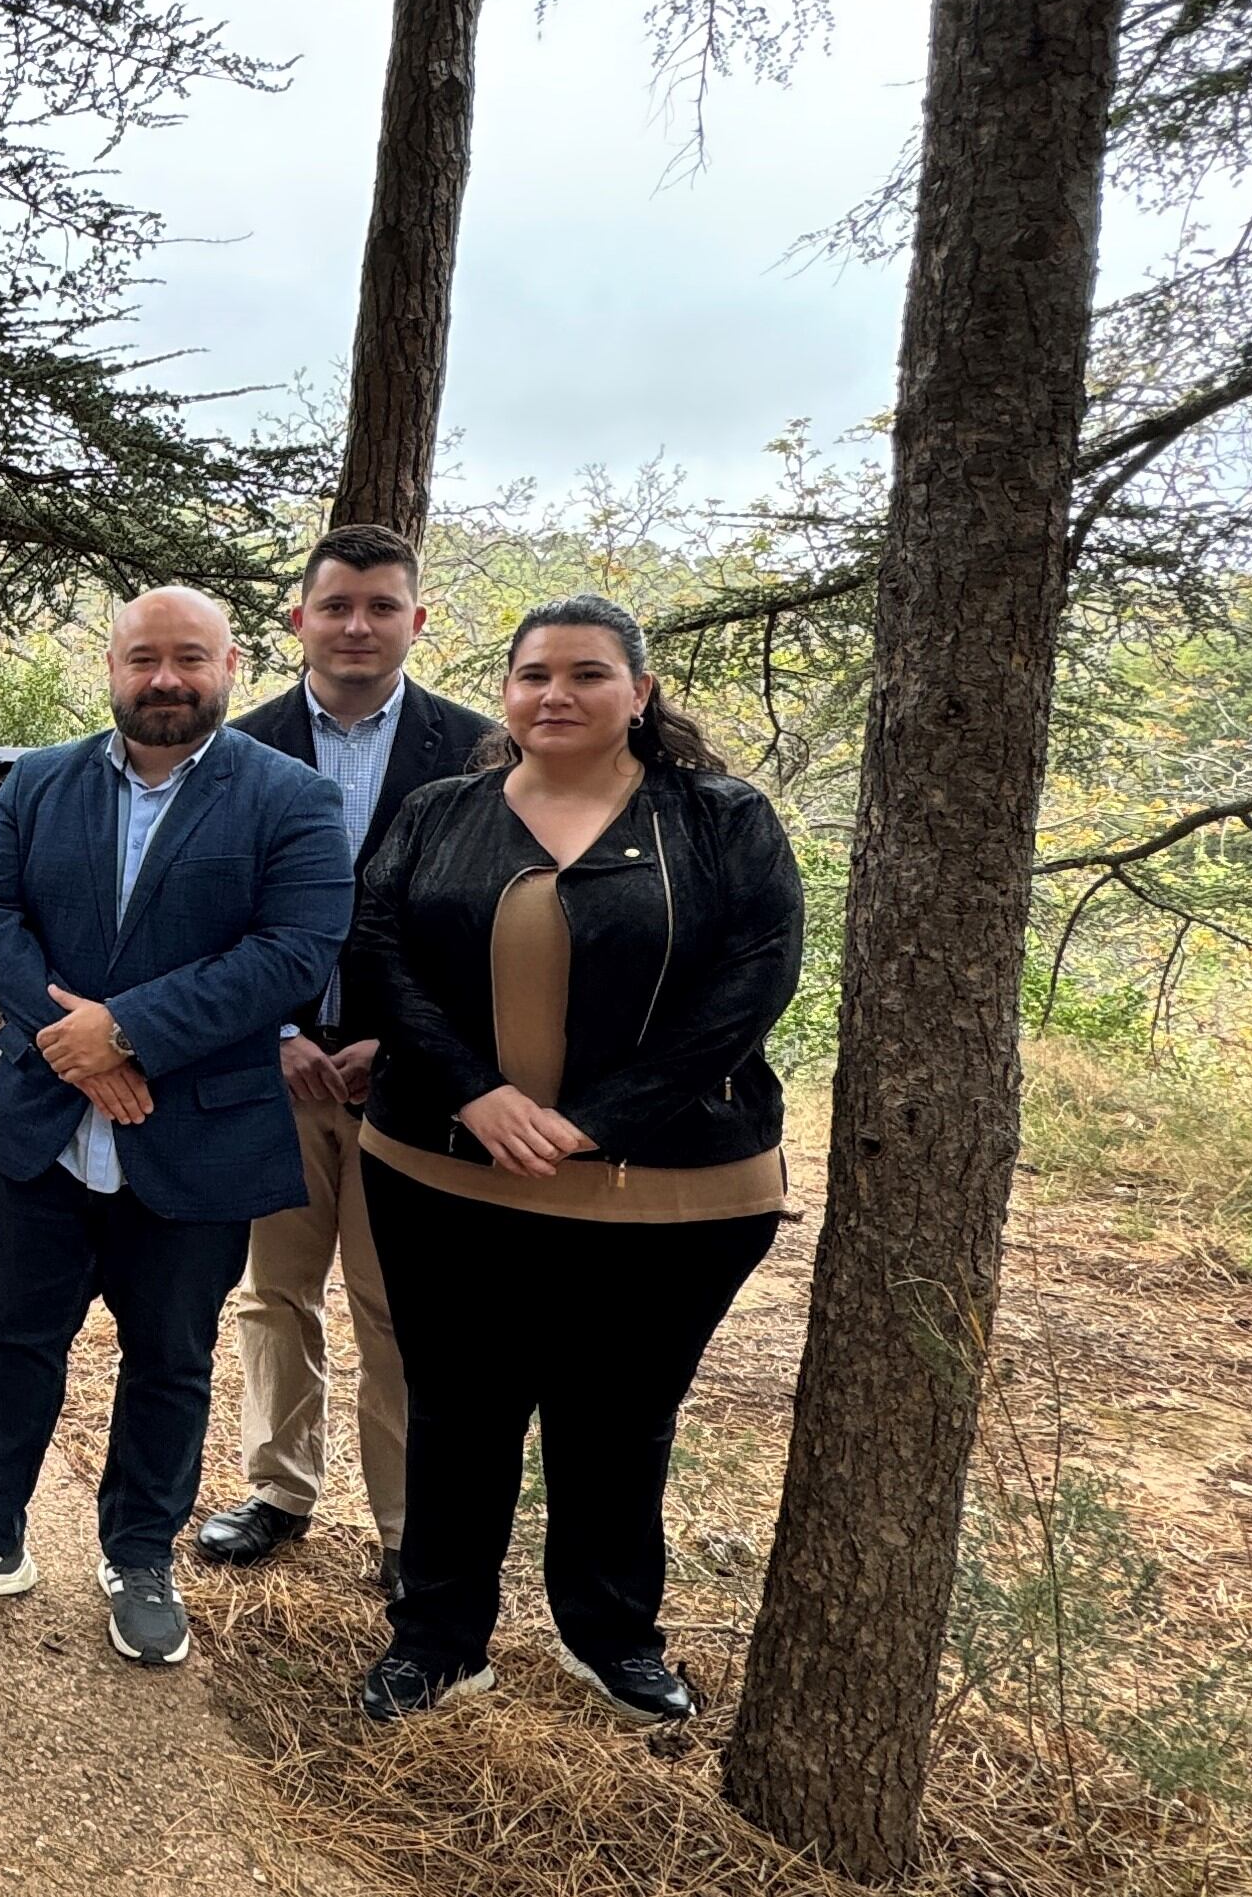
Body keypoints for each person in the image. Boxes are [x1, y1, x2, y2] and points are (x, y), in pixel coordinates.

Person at [344, 593, 803, 1727]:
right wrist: (475, 1094)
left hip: (670, 1190)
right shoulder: (439, 812)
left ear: (638, 693)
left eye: (587, 674)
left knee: (618, 1420)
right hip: (446, 1172)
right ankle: (439, 1643)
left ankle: (611, 1637)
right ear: (504, 692)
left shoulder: (719, 818)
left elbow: (754, 976)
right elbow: (379, 951)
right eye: (533, 674)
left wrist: (601, 1118)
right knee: (456, 1414)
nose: (555, 694)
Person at [0, 586, 349, 1670]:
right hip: (47, 1126)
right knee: (15, 1341)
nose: (165, 679)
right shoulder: (39, 782)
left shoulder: (290, 799)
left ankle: (139, 1555)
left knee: (169, 1359)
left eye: (189, 658)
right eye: (143, 659)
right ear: (110, 666)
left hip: (195, 1138)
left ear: (230, 664)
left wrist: (126, 1034)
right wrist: (73, 1046)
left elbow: (295, 950)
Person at [204, 524, 496, 1589]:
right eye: (335, 606)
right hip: (270, 1071)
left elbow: (485, 932)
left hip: (410, 1085)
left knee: (396, 1308)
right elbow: (210, 913)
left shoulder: (479, 752)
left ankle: (405, 1531)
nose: (356, 626)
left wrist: (404, 1039)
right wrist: (271, 1034)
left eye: (380, 607)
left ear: (415, 622)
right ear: (298, 623)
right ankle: (278, 1488)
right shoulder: (233, 748)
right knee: (272, 1293)